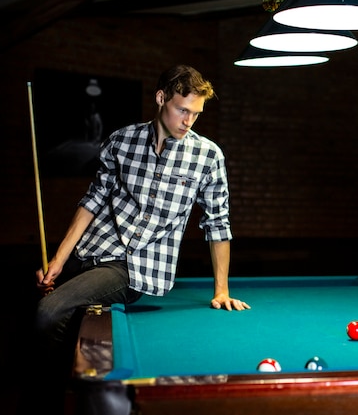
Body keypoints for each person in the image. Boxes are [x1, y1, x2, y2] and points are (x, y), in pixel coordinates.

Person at [29, 65, 249, 413]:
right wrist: (58, 260)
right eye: (182, 109)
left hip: (135, 269)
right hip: (92, 251)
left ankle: (48, 405)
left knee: (48, 312)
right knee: (37, 299)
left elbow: (217, 224)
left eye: (196, 113)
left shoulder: (208, 156)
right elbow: (92, 202)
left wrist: (221, 289)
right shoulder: (120, 140)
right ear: (161, 98)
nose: (189, 120)